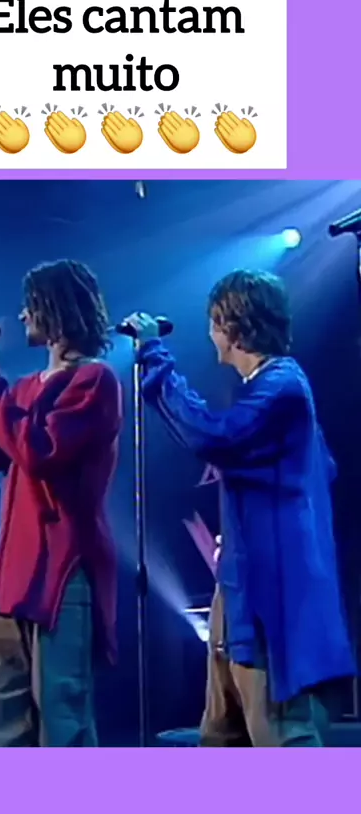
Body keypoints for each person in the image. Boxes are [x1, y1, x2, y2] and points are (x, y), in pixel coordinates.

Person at [125, 269, 355, 747]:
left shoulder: (283, 385)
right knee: (223, 736)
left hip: (272, 593)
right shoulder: (271, 388)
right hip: (240, 585)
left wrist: (155, 357)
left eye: (213, 323)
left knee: (280, 734)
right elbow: (317, 468)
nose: (210, 335)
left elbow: (215, 436)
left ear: (232, 326)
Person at [0, 259, 123, 747]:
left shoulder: (95, 381)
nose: (23, 315)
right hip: (12, 575)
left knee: (61, 719)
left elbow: (38, 451)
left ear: (55, 309)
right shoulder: (25, 388)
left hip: (62, 570)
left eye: (31, 305)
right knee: (0, 718)